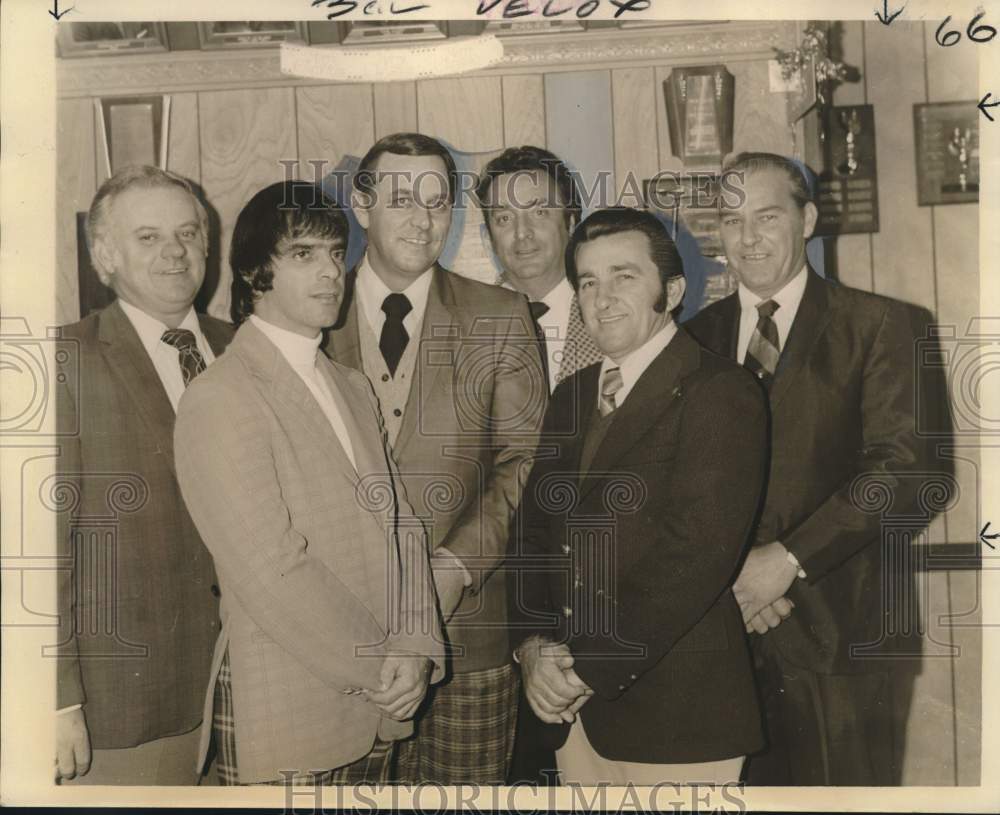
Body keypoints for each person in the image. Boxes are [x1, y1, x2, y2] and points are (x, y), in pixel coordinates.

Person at [173, 180, 444, 785]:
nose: (329, 273)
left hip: (382, 703)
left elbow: (401, 526)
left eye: (334, 254)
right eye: (302, 255)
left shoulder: (350, 384)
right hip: (292, 710)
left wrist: (419, 645)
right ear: (252, 273)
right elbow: (271, 569)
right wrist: (383, 666)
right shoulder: (220, 396)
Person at [686, 152, 939, 785]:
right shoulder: (691, 339)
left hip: (844, 639)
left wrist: (785, 561)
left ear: (808, 220)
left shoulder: (883, 325)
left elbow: (906, 472)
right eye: (732, 219)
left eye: (767, 216)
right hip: (721, 639)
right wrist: (732, 580)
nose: (748, 238)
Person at [512, 207, 768, 785]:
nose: (602, 299)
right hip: (568, 711)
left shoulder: (720, 391)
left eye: (624, 276)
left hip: (679, 715)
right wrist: (531, 647)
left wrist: (587, 668)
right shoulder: (572, 396)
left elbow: (697, 555)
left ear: (672, 290)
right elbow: (531, 533)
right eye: (587, 282)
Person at [324, 132, 545, 784]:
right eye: (401, 199)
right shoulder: (307, 310)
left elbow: (527, 460)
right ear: (362, 206)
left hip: (465, 635)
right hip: (333, 635)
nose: (423, 220)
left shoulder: (499, 315)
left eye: (438, 201)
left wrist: (455, 565)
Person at [54, 165, 232, 784]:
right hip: (123, 707)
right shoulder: (63, 362)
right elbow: (40, 548)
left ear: (208, 246)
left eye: (187, 233)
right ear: (105, 257)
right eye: (148, 237)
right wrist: (57, 700)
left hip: (250, 692)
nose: (175, 252)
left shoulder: (247, 349)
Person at [476, 146, 603, 393]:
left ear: (572, 223)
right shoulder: (464, 328)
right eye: (504, 218)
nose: (522, 232)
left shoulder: (614, 317)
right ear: (488, 238)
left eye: (539, 212)